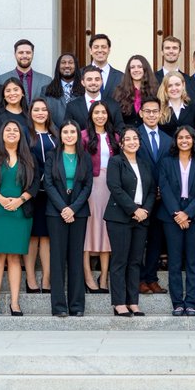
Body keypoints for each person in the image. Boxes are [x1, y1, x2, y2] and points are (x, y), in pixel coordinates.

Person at [0, 120, 37, 317]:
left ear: (21, 135)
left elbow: (35, 184)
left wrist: (20, 200)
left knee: (14, 257)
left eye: (16, 130)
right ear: (2, 133)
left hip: (19, 213)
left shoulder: (28, 157)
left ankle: (14, 303)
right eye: (8, 129)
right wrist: (2, 200)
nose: (12, 132)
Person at [158, 126, 195, 315]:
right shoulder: (166, 161)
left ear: (193, 140)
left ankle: (191, 302)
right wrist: (177, 213)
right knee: (174, 262)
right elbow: (164, 188)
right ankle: (177, 303)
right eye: (180, 138)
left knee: (193, 261)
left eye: (187, 137)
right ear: (176, 141)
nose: (184, 141)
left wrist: (187, 214)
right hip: (171, 215)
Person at [104, 127, 155, 316]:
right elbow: (115, 187)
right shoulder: (116, 162)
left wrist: (145, 211)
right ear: (122, 143)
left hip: (141, 218)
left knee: (135, 261)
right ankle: (119, 303)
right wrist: (134, 209)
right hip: (120, 217)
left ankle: (133, 301)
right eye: (128, 139)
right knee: (120, 261)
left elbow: (151, 190)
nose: (132, 141)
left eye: (135, 138)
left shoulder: (144, 164)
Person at [45, 120, 93, 317]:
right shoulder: (51, 156)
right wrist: (64, 208)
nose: (69, 135)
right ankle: (59, 306)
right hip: (56, 213)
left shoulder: (85, 158)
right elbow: (48, 184)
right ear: (60, 135)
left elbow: (88, 186)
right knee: (57, 259)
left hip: (79, 212)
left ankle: (76, 305)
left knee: (75, 258)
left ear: (77, 135)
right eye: (65, 132)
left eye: (73, 131)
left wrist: (73, 208)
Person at [82, 101, 119, 293]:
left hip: (111, 186)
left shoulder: (115, 137)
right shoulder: (83, 136)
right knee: (88, 227)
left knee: (107, 228)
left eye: (103, 112)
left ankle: (104, 276)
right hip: (91, 185)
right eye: (96, 112)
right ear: (91, 115)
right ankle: (88, 275)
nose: (100, 116)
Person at [136, 96, 171, 295]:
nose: (151, 115)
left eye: (154, 111)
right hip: (139, 199)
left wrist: (162, 190)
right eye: (147, 111)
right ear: (141, 113)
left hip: (161, 199)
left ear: (160, 113)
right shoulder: (134, 136)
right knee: (140, 241)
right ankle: (139, 278)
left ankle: (152, 278)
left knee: (156, 241)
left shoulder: (168, 139)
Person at [26, 98, 56, 293]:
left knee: (46, 237)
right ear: (30, 113)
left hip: (51, 193)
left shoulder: (57, 134)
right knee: (31, 237)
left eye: (44, 109)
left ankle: (46, 279)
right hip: (31, 191)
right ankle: (30, 279)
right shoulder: (26, 135)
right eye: (36, 110)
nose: (40, 113)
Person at [65, 65, 124, 130]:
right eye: (89, 79)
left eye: (97, 79)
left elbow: (120, 129)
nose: (93, 82)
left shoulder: (113, 105)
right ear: (83, 82)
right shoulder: (72, 106)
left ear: (101, 82)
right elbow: (68, 130)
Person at [0, 39, 53, 103]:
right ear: (15, 54)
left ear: (32, 54)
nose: (24, 56)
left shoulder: (46, 80)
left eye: (28, 52)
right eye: (21, 52)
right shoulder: (2, 79)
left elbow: (50, 105)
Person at [113, 54, 157, 127]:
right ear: (129, 71)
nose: (136, 70)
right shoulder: (119, 92)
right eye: (132, 67)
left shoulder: (154, 91)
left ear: (145, 69)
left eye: (139, 67)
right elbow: (116, 119)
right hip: (126, 135)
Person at [156, 70, 195, 135]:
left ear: (183, 85)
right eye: (170, 86)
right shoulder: (159, 109)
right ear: (165, 88)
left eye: (177, 85)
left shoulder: (194, 108)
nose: (174, 88)